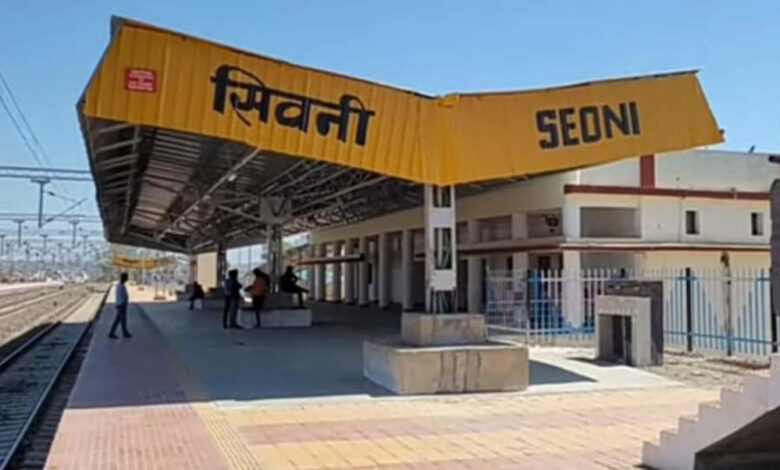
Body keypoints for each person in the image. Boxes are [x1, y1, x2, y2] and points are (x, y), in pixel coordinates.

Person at [109, 272, 132, 339]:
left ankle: (112, 333)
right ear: (124, 278)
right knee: (123, 320)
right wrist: (123, 303)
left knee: (118, 320)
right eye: (126, 278)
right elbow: (122, 296)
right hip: (121, 305)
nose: (127, 279)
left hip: (120, 305)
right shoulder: (121, 286)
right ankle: (125, 333)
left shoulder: (119, 286)